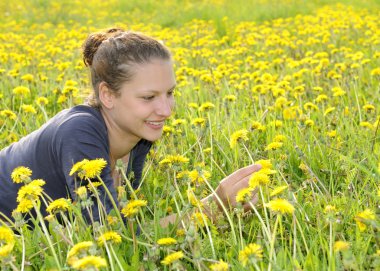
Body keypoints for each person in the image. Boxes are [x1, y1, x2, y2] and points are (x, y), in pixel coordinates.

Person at [0, 28, 261, 226]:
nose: (166, 111)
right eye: (148, 97)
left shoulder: (138, 136)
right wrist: (214, 208)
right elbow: (113, 237)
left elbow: (123, 226)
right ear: (108, 95)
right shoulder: (80, 132)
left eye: (169, 93)